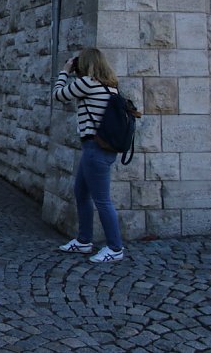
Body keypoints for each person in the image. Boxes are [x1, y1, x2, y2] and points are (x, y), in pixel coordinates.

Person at [52, 48, 125, 263]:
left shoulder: (88, 83)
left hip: (95, 149)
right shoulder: (110, 86)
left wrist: (65, 70)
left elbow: (58, 95)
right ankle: (84, 241)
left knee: (102, 200)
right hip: (100, 149)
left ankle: (115, 248)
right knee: (81, 193)